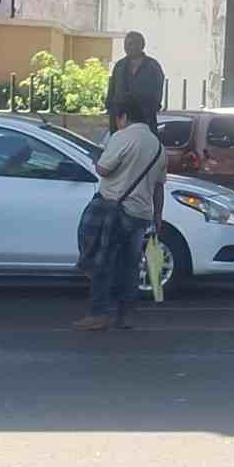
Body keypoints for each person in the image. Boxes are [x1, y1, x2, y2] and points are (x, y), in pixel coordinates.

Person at [74, 95, 168, 332]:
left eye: (117, 119)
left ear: (123, 116)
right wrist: (158, 216)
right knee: (130, 266)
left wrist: (99, 158)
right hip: (141, 214)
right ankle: (125, 316)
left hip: (114, 210)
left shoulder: (122, 137)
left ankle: (98, 315)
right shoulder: (158, 146)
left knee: (103, 262)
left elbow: (103, 169)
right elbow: (159, 186)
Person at [106, 31, 165, 135]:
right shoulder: (119, 65)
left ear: (141, 45)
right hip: (120, 120)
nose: (127, 47)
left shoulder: (152, 66)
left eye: (131, 44)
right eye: (125, 44)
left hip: (144, 119)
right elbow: (111, 91)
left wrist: (150, 109)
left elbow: (157, 93)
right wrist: (111, 109)